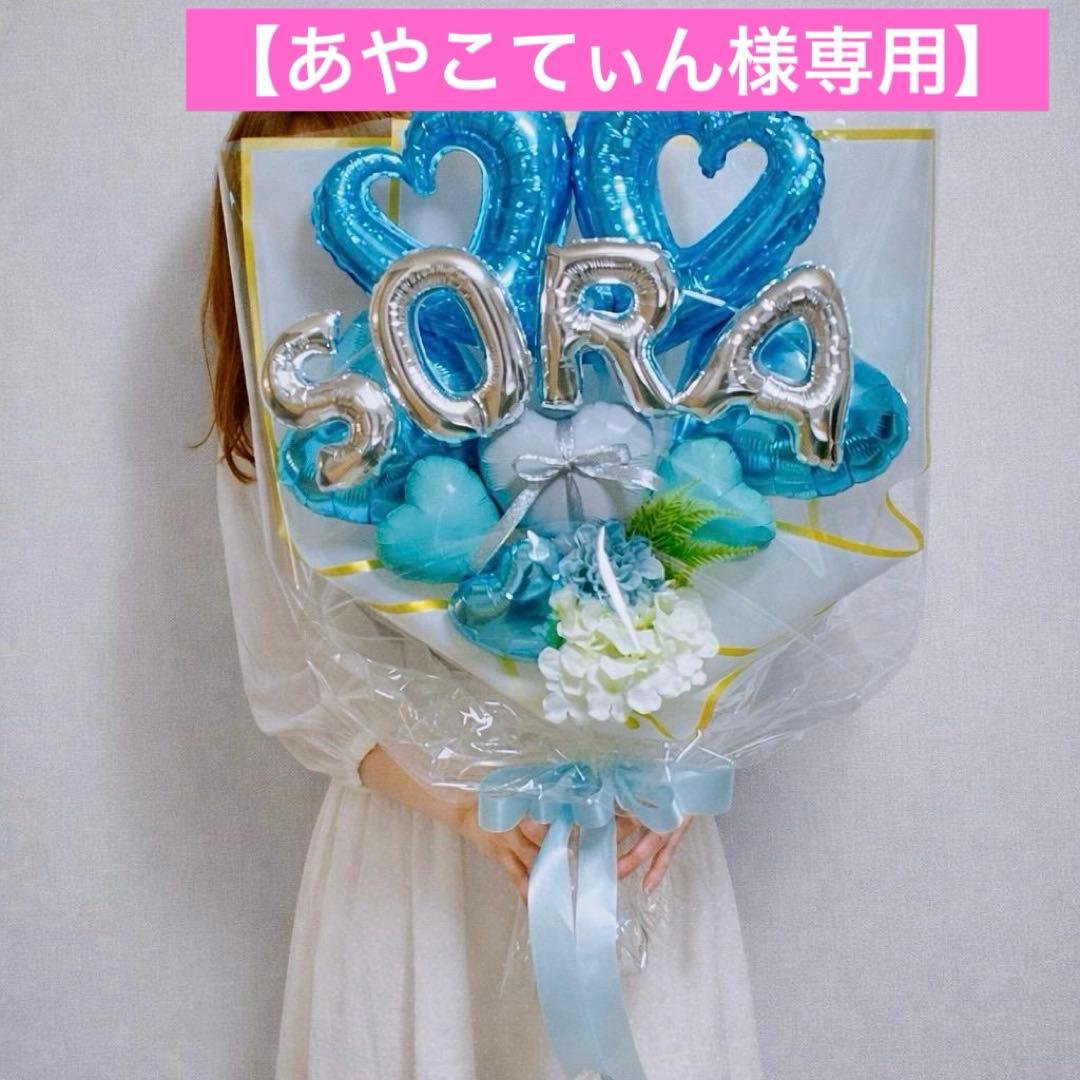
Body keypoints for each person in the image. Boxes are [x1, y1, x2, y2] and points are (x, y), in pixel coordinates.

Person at [207, 110, 762, 1080]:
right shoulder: (297, 432)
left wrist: (677, 758)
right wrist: (468, 806)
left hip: (630, 831)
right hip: (418, 858)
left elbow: (746, 569)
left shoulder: (602, 361)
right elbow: (292, 678)